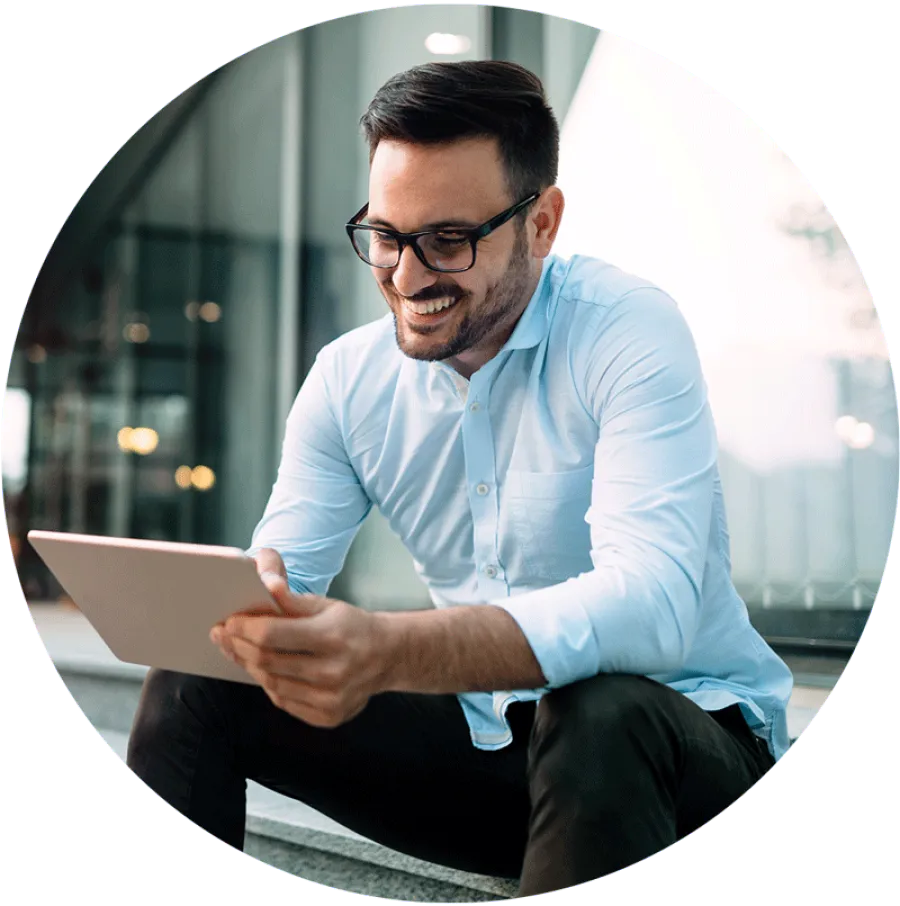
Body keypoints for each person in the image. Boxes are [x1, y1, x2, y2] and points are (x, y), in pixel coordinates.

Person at [127, 60, 793, 896]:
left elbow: (651, 605)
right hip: (493, 757)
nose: (406, 278)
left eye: (449, 240)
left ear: (542, 223)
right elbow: (282, 573)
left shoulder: (626, 331)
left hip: (678, 756)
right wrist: (262, 608)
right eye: (387, 235)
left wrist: (388, 648)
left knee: (597, 707)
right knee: (202, 675)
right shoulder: (347, 379)